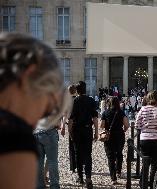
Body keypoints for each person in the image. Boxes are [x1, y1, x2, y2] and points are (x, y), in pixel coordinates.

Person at [0, 33, 64, 189]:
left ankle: (40, 186)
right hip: (48, 131)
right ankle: (54, 186)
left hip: (36, 132)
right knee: (52, 161)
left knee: (39, 163)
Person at [135, 90, 157, 189]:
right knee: (155, 162)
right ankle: (152, 182)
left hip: (145, 138)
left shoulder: (143, 109)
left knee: (145, 162)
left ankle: (142, 182)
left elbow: (137, 124)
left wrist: (146, 127)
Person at [69, 81, 98, 189]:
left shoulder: (75, 101)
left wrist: (70, 132)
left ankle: (80, 177)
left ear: (77, 91)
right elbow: (95, 118)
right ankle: (88, 178)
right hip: (87, 130)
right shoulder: (91, 101)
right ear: (86, 89)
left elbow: (71, 119)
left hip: (77, 130)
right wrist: (96, 132)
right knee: (88, 154)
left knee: (78, 154)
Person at [100, 96, 129, 185]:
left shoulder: (105, 112)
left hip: (109, 136)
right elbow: (127, 125)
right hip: (119, 135)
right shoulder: (121, 112)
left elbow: (102, 125)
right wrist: (123, 130)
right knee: (119, 153)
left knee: (110, 157)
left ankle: (113, 178)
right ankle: (118, 171)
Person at [60, 84, 77, 172]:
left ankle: (73, 166)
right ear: (75, 91)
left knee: (71, 145)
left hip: (70, 125)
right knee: (79, 145)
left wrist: (63, 127)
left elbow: (64, 115)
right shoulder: (78, 100)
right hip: (79, 124)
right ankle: (80, 165)